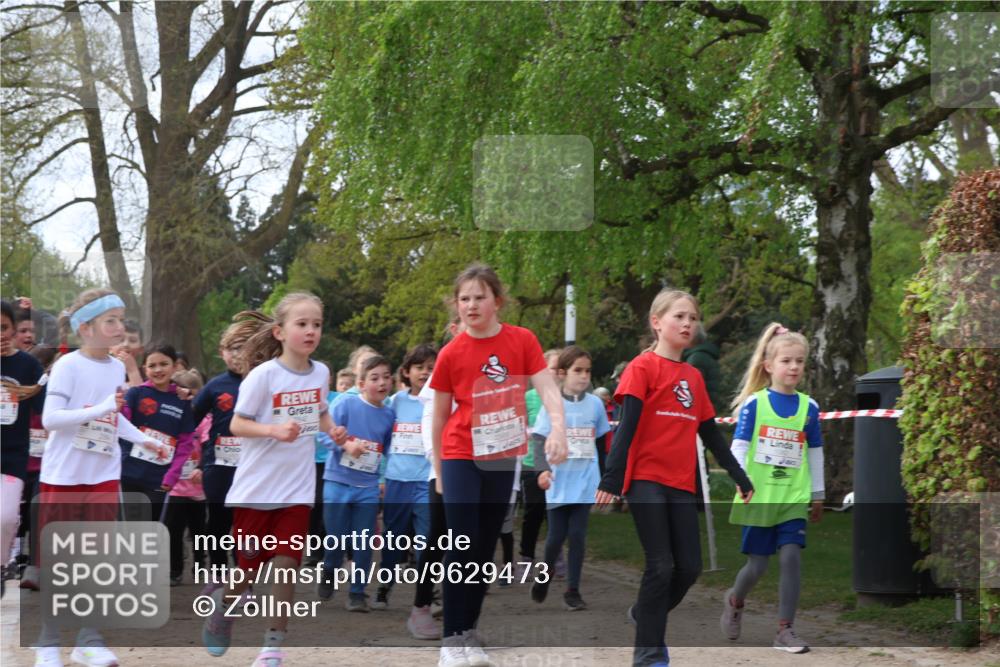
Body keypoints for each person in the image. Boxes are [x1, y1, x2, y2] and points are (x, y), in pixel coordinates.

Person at [595, 288, 754, 667]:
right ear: (656, 322)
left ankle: (644, 614)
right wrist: (611, 479)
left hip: (681, 482)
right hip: (645, 479)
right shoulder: (641, 367)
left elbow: (711, 433)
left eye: (692, 318)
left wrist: (738, 475)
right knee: (660, 565)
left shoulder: (693, 377)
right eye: (679, 316)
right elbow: (627, 427)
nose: (687, 323)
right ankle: (648, 654)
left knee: (689, 568)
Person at [430, 263, 568, 667]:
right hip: (460, 456)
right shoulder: (451, 353)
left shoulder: (521, 341)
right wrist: (439, 470)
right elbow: (438, 417)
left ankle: (468, 633)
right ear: (456, 305)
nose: (471, 305)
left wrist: (558, 428)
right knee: (463, 543)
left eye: (479, 297)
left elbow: (546, 388)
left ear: (497, 302)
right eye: (464, 298)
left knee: (484, 546)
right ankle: (451, 641)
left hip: (503, 456)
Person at [200, 293, 345, 667]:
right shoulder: (262, 376)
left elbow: (321, 412)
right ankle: (225, 608)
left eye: (316, 324)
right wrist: (274, 430)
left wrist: (337, 434)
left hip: (296, 490)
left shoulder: (321, 372)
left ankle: (272, 648)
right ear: (280, 332)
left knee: (286, 565)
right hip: (255, 490)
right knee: (247, 572)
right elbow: (237, 424)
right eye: (302, 324)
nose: (311, 330)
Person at [33, 288, 159, 667]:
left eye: (121, 319)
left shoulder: (117, 368)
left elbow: (112, 417)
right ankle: (48, 643)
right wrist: (101, 406)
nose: (120, 327)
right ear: (85, 328)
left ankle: (88, 640)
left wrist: (143, 439)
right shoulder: (68, 366)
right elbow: (53, 419)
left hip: (104, 474)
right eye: (111, 321)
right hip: (64, 476)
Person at [720, 323, 824, 654]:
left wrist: (818, 494)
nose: (794, 367)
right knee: (758, 565)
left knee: (791, 557)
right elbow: (738, 446)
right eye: (786, 361)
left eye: (799, 361)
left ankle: (785, 629)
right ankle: (736, 599)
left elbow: (816, 452)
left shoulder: (810, 408)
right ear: (769, 366)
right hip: (760, 496)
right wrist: (741, 480)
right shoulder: (755, 404)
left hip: (793, 496)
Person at [529, 346, 610, 612]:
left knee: (577, 535)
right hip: (559, 480)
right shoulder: (553, 404)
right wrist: (542, 469)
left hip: (586, 480)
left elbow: (600, 443)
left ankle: (573, 590)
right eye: (578, 370)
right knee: (555, 537)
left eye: (588, 371)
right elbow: (539, 438)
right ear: (562, 373)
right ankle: (544, 576)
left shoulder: (596, 405)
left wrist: (605, 480)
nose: (584, 376)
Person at [318, 355, 395, 612]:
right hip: (337, 482)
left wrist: (384, 479)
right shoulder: (345, 404)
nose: (381, 383)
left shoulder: (389, 414)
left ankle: (357, 593)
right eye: (374, 378)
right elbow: (324, 434)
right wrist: (346, 445)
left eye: (386, 377)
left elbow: (387, 451)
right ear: (361, 384)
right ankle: (329, 569)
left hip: (368, 488)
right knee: (336, 540)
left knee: (363, 544)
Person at [191, 319, 254, 592]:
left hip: (251, 468)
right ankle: (216, 578)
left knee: (245, 528)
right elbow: (190, 419)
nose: (238, 355)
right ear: (222, 352)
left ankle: (244, 584)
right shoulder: (216, 386)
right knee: (216, 524)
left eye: (243, 348)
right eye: (232, 349)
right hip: (218, 467)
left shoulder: (262, 381)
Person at [373, 344, 437, 610]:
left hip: (426, 481)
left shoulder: (439, 400)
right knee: (394, 538)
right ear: (407, 372)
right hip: (397, 480)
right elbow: (382, 438)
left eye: (431, 369)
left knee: (427, 540)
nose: (425, 373)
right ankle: (384, 587)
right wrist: (381, 478)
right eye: (419, 368)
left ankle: (427, 595)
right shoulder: (395, 402)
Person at [119, 343, 196, 523]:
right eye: (152, 365)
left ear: (175, 366)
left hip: (159, 479)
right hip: (128, 473)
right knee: (127, 527)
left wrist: (172, 475)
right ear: (144, 368)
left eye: (164, 364)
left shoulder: (182, 400)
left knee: (149, 529)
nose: (158, 370)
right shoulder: (136, 393)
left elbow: (185, 444)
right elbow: (122, 427)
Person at [0, 301, 45, 596]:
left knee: (5, 518)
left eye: (3, 328)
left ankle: (2, 564)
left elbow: (46, 411)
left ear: (14, 330)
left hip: (12, 456)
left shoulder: (29, 366)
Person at [517, 349, 562, 577]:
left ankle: (556, 556)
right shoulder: (529, 397)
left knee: (557, 511)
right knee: (533, 512)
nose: (557, 373)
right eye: (553, 368)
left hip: (559, 464)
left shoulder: (569, 398)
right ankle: (527, 555)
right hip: (532, 463)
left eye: (560, 369)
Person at [164, 368, 209, 586]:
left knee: (199, 529)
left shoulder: (204, 420)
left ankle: (200, 564)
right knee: (173, 530)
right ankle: (175, 570)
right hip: (176, 485)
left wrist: (202, 467)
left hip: (197, 485)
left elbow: (209, 446)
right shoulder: (170, 417)